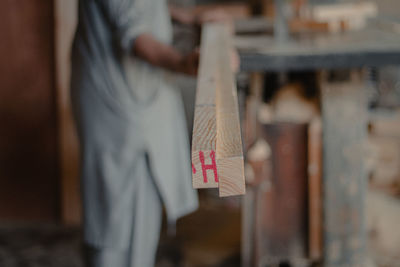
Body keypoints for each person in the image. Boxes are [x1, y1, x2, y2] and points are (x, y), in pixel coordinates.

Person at [70, 1, 226, 266]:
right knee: (117, 219)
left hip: (128, 95)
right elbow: (137, 37)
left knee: (129, 215)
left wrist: (184, 17)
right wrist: (182, 63)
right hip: (122, 106)